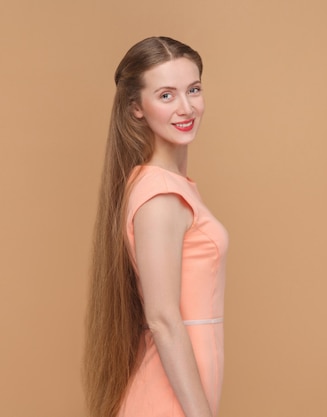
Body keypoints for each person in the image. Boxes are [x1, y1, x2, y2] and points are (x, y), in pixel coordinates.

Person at [84, 36, 229, 417]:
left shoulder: (167, 186)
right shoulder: (160, 195)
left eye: (193, 90)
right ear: (136, 107)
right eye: (166, 95)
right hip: (168, 402)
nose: (186, 107)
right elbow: (163, 319)